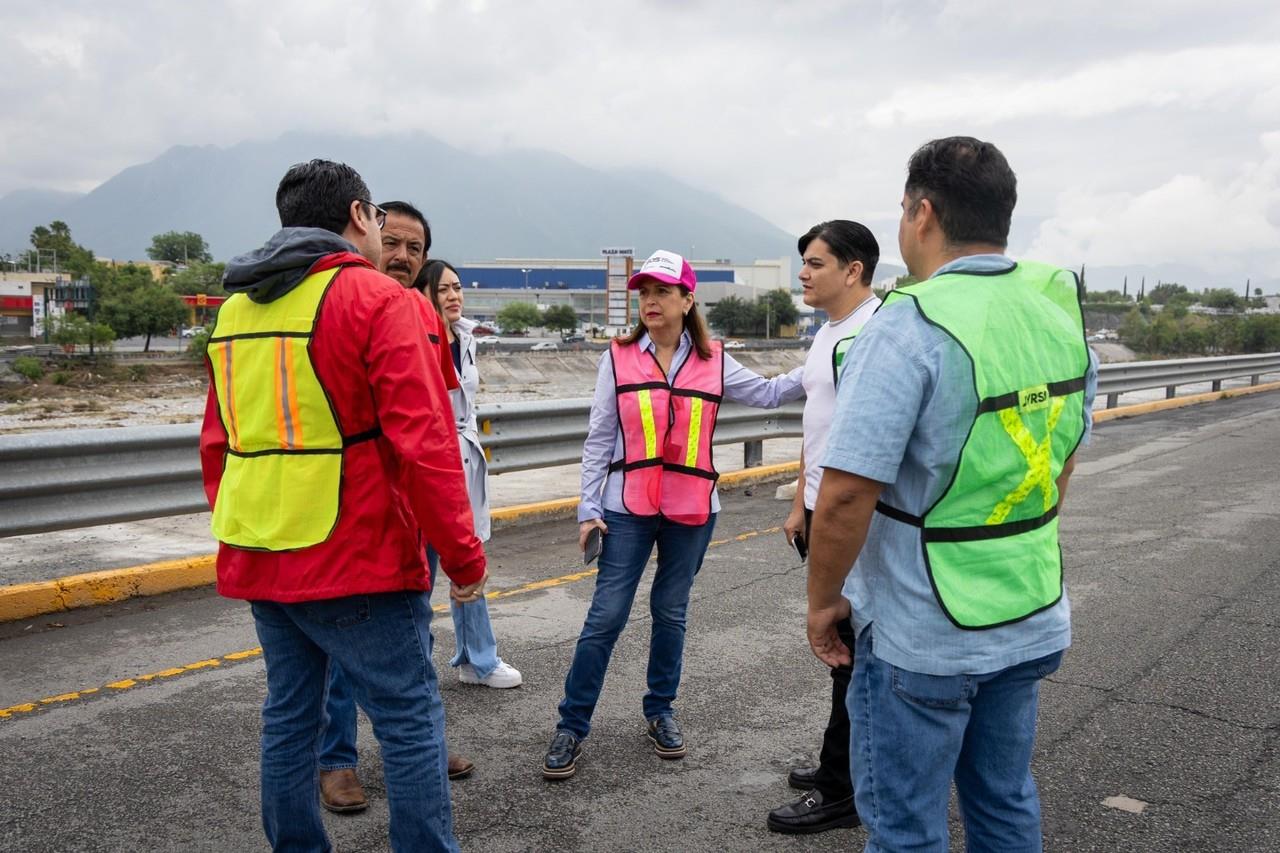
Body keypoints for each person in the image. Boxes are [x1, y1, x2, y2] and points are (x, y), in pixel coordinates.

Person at [806, 136, 1098, 851]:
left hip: (925, 632)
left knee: (906, 826)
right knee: (1002, 802)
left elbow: (844, 496)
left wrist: (822, 602)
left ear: (923, 214)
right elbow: (1059, 461)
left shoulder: (911, 322)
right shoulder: (1055, 313)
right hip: (1029, 608)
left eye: (905, 211)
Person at [199, 159, 486, 853]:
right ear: (360, 216)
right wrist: (462, 552)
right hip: (358, 552)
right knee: (409, 716)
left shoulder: (238, 308)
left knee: (289, 717)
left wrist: (249, 527)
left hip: (265, 551)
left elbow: (219, 442)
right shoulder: (377, 300)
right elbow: (424, 441)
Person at [543, 250, 806, 780]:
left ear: (688, 300)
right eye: (644, 293)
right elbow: (599, 438)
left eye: (662, 292)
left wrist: (828, 357)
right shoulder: (616, 358)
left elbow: (773, 393)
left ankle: (660, 710)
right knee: (606, 617)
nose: (650, 302)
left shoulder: (715, 360)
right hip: (627, 508)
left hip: (692, 509)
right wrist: (587, 509)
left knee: (671, 611)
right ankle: (571, 724)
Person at [315, 199, 481, 809]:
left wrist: (449, 522)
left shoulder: (424, 314)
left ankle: (420, 747)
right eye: (394, 243)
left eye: (416, 248)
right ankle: (337, 760)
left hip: (413, 514)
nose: (404, 257)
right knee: (340, 649)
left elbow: (433, 425)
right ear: (367, 235)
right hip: (352, 518)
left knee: (415, 637)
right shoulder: (338, 308)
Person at [767, 220, 880, 835]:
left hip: (851, 518)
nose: (803, 274)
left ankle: (844, 789)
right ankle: (841, 767)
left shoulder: (872, 332)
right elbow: (820, 423)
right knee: (844, 658)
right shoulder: (828, 333)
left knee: (850, 653)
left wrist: (826, 510)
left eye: (814, 263)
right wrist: (798, 506)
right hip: (818, 510)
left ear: (853, 269)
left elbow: (862, 446)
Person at [416, 258, 523, 688]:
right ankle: (417, 670)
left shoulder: (465, 338)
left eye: (457, 288)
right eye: (443, 289)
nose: (454, 296)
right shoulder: (416, 338)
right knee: (420, 573)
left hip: (465, 458)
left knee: (469, 561)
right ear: (425, 294)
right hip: (432, 461)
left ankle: (476, 658)